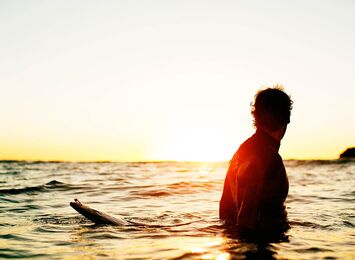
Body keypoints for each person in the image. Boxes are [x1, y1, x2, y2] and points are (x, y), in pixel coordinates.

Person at [219, 87, 293, 235]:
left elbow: (224, 210)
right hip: (260, 245)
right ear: (287, 118)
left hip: (236, 245)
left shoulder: (242, 151)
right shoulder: (267, 158)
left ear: (256, 116)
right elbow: (246, 218)